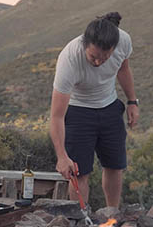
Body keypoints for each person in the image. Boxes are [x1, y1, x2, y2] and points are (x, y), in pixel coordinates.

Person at [49, 12, 138, 210]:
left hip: (109, 107)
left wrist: (132, 101)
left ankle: (112, 215)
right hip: (79, 111)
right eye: (93, 57)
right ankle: (81, 221)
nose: (98, 63)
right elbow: (56, 117)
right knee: (80, 172)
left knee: (115, 166)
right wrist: (62, 157)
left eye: (104, 58)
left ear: (113, 48)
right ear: (85, 45)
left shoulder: (123, 41)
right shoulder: (69, 59)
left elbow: (123, 69)